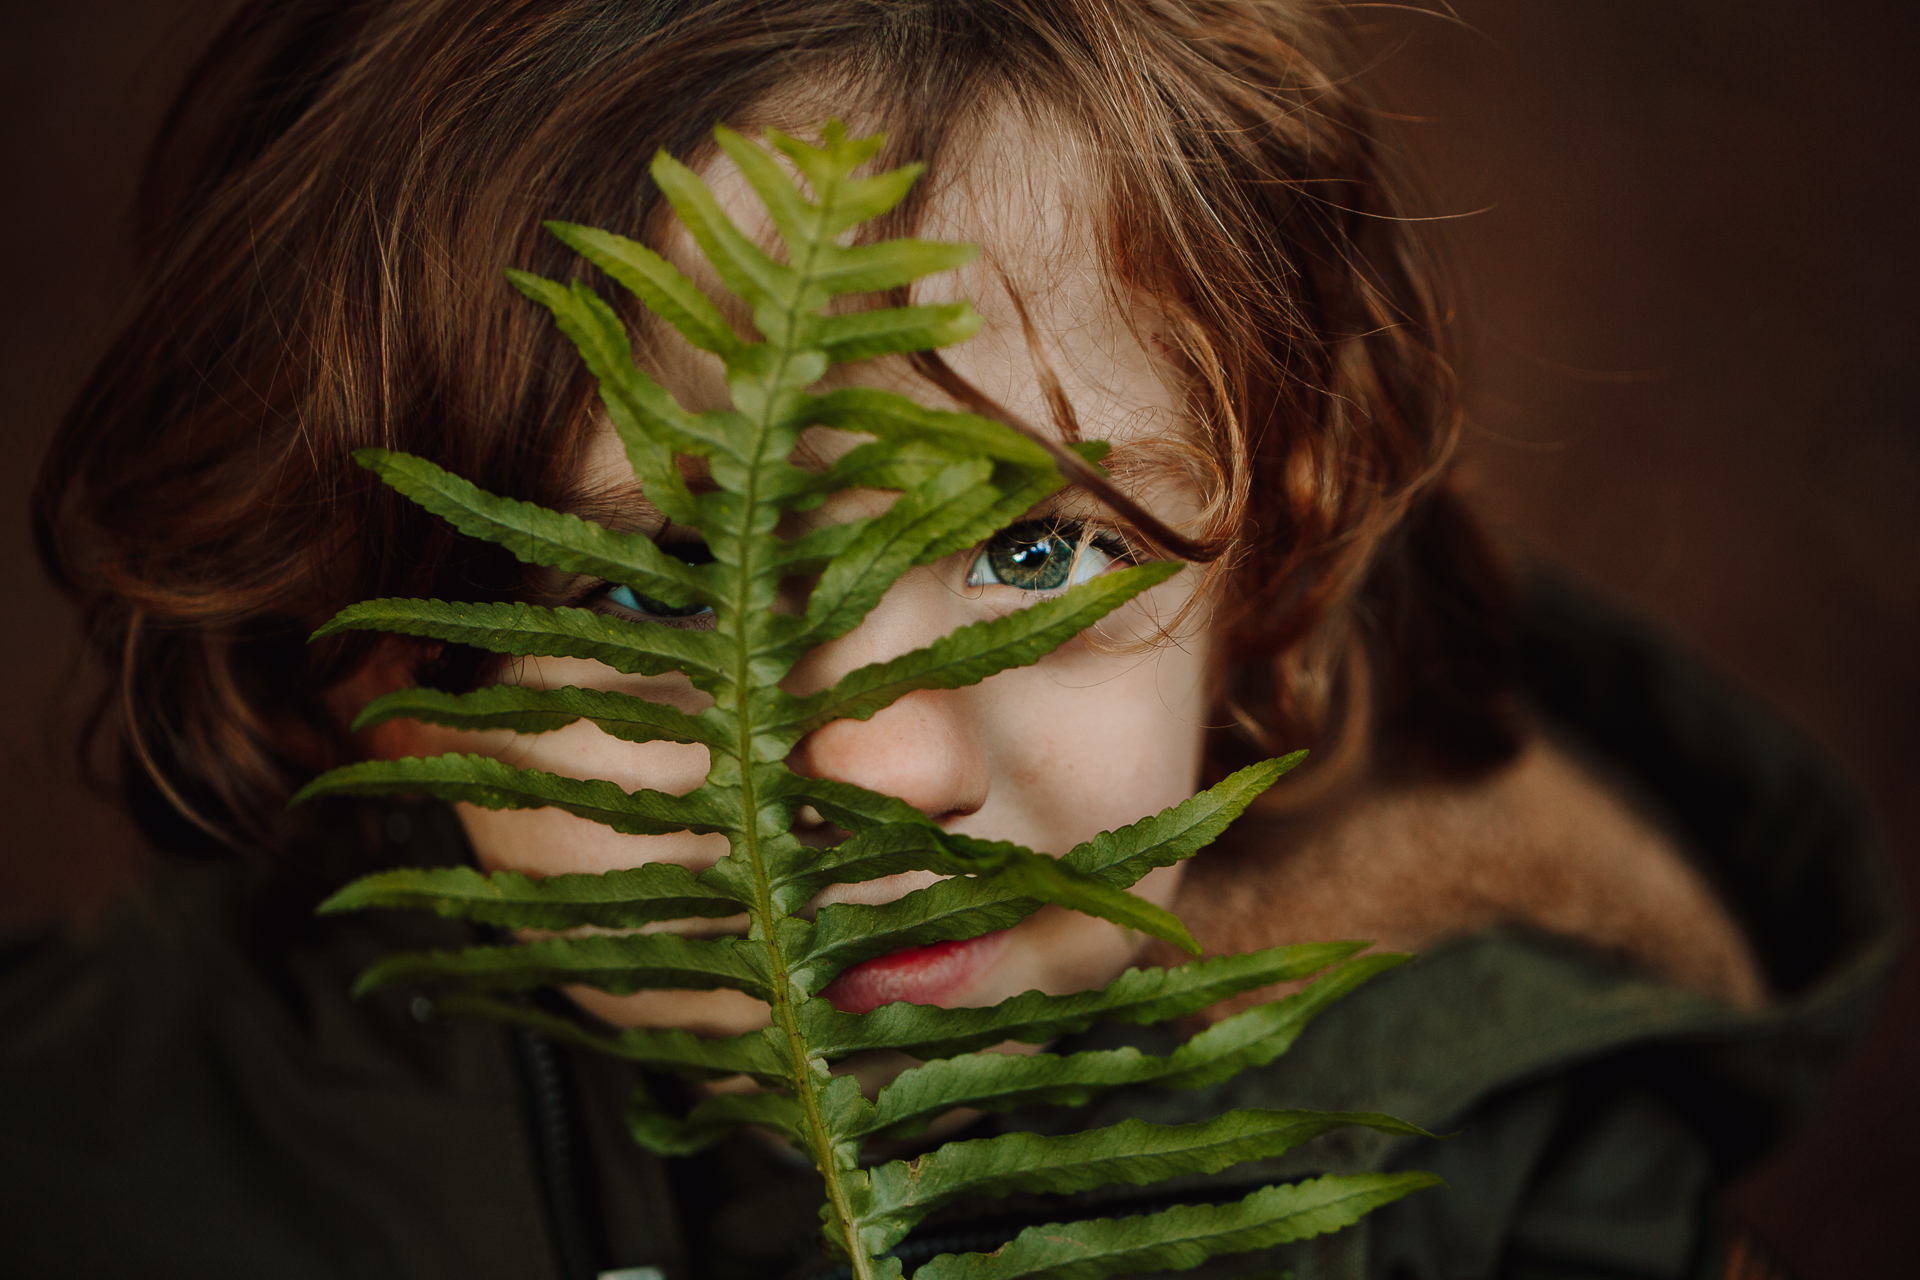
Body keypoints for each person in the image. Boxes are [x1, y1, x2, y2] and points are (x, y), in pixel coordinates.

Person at [5, 2, 1895, 1277]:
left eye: (1034, 551)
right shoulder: (116, 1128)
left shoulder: (1494, 1195)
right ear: (376, 668)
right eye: (657, 591)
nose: (889, 766)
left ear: (1267, 566)